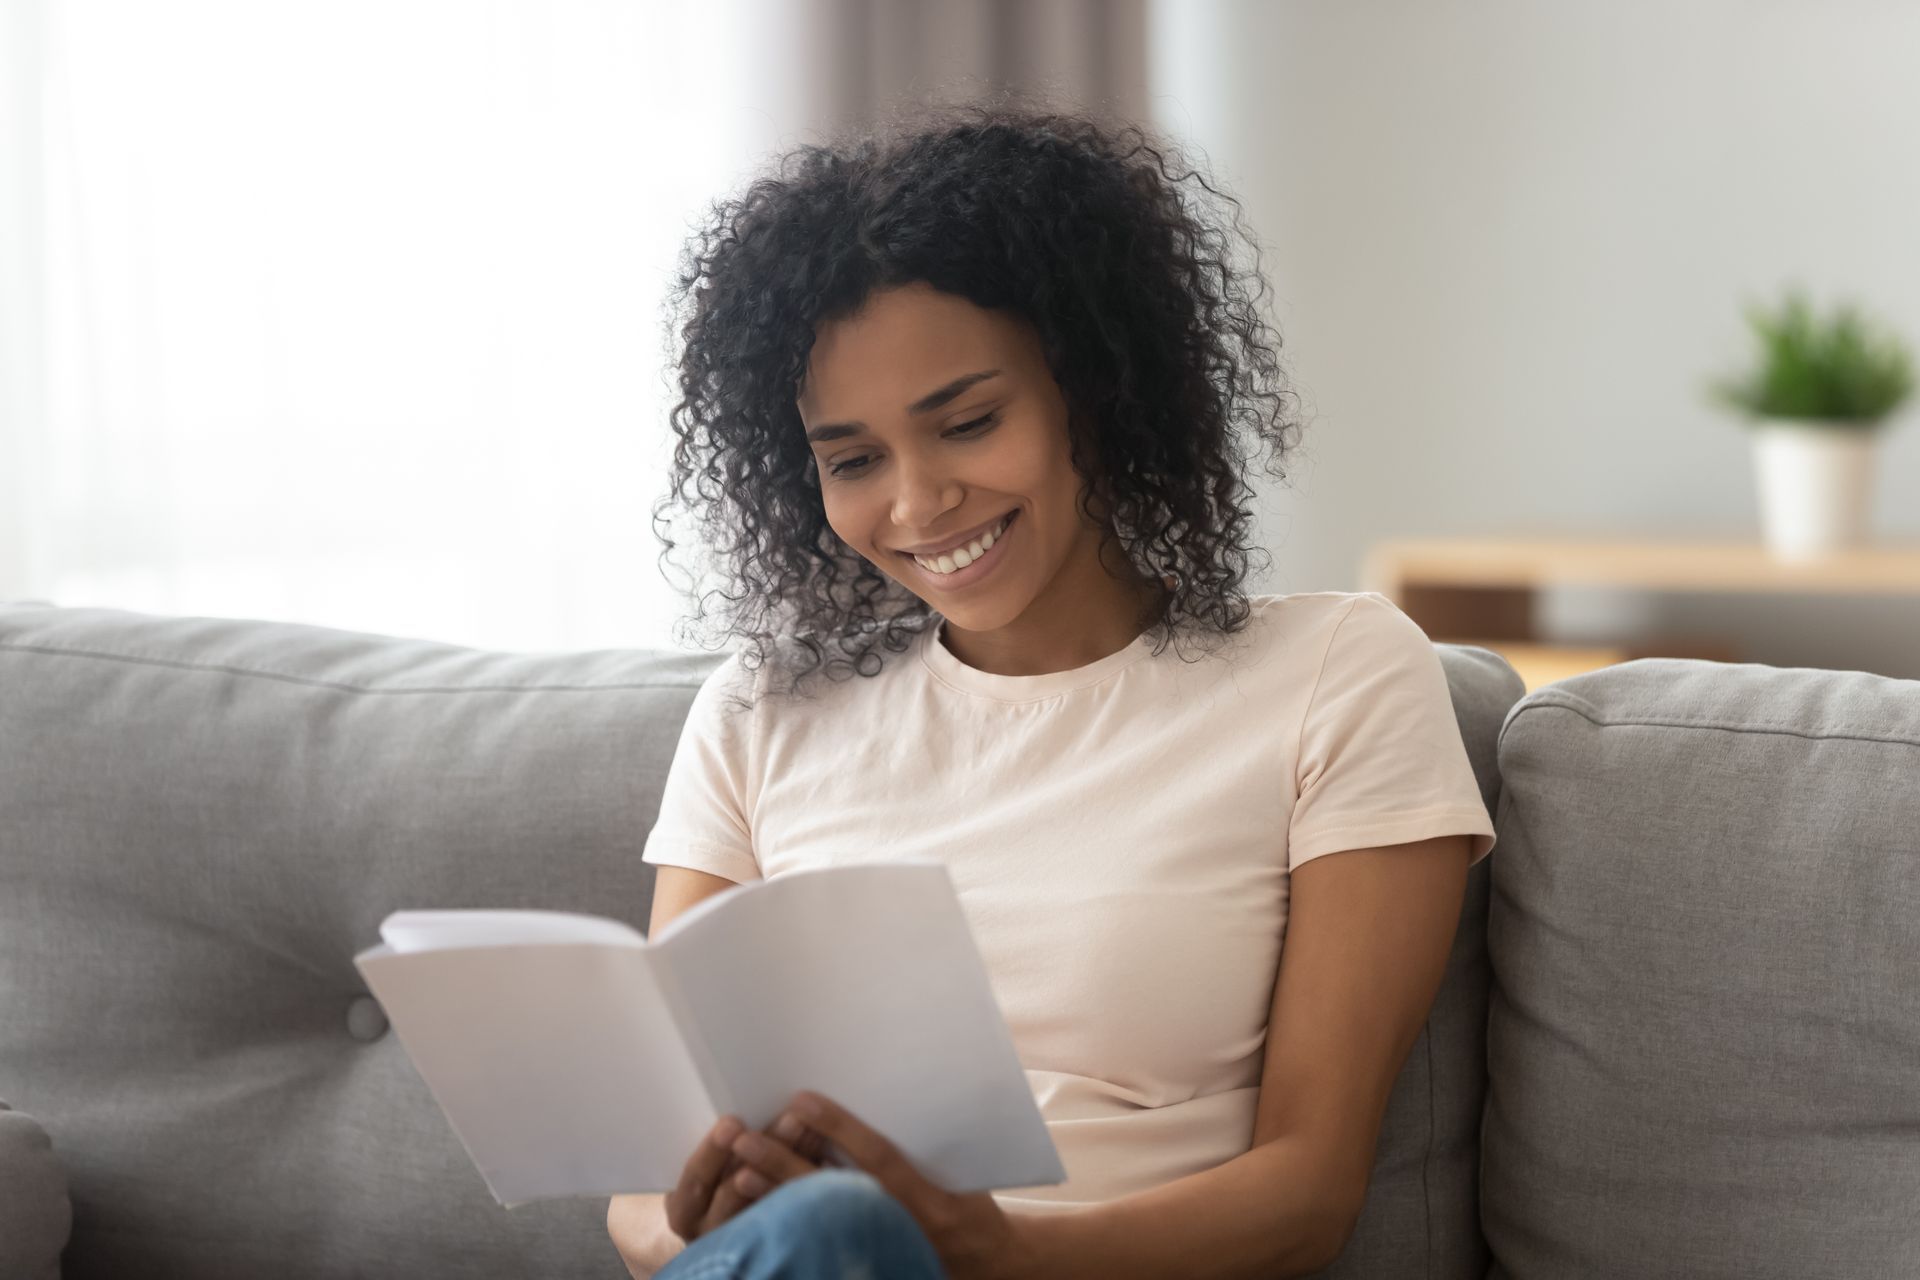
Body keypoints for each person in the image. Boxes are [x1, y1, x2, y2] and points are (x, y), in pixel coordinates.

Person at [607, 93, 1496, 1280]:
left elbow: (1308, 1188)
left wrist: (999, 1249)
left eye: (968, 422)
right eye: (854, 460)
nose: (918, 505)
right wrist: (690, 1217)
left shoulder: (1336, 677)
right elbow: (640, 1191)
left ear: (1096, 385)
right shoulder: (764, 709)